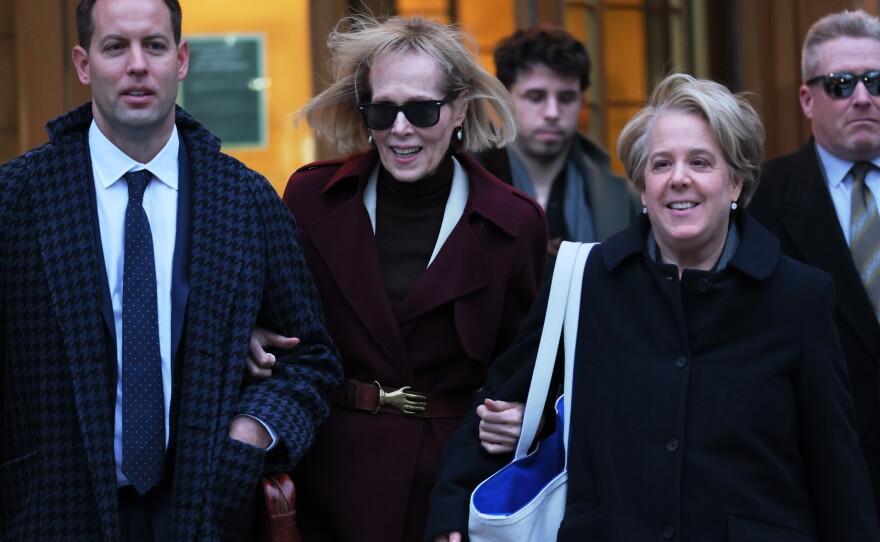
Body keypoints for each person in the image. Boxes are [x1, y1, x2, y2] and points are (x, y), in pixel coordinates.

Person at [425, 73, 880, 541]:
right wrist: (449, 513)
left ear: (736, 184)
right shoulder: (587, 280)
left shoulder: (799, 297)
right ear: (643, 188)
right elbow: (498, 408)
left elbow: (836, 469)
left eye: (701, 162)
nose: (679, 178)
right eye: (661, 164)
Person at [0, 0, 341, 540]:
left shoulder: (244, 199)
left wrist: (250, 433)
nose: (138, 64)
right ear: (83, 64)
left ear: (180, 59)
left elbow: (313, 359)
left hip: (206, 511)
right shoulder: (17, 198)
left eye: (154, 46)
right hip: (52, 511)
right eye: (116, 46)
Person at [267, 14, 547, 542]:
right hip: (329, 483)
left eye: (421, 109)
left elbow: (527, 371)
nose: (400, 129)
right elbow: (276, 322)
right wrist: (254, 336)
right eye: (382, 110)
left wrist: (521, 419)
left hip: (448, 492)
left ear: (459, 107)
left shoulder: (514, 222)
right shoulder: (308, 199)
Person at [749, 9, 880, 520]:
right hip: (811, 478)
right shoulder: (758, 198)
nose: (863, 98)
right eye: (841, 84)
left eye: (875, 81)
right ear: (807, 98)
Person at [475, 24, 639, 259]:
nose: (552, 112)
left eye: (566, 98)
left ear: (582, 103)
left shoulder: (622, 200)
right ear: (504, 100)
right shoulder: (465, 185)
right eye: (535, 97)